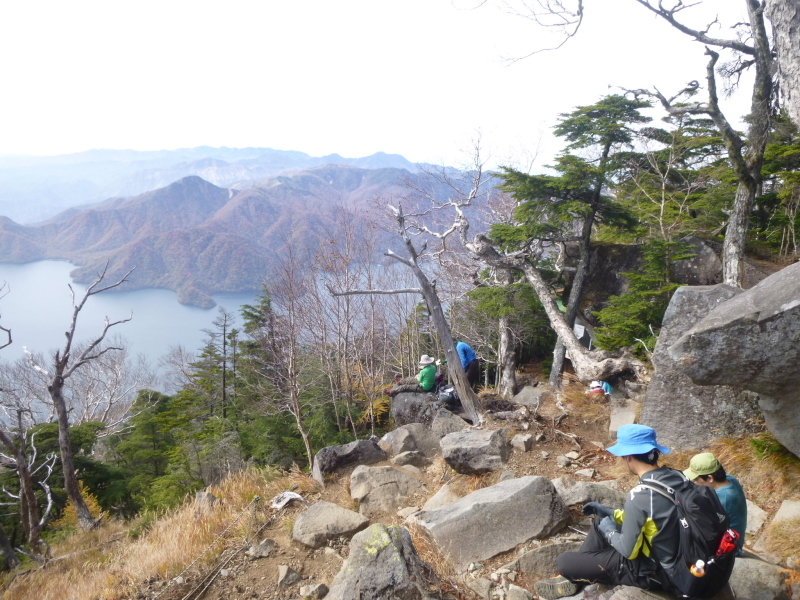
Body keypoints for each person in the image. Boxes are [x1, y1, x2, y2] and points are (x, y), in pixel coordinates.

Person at [534, 424, 681, 599]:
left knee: (563, 562)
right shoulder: (677, 476)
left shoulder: (641, 495)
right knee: (599, 521)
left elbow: (629, 552)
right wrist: (610, 513)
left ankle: (576, 576)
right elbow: (652, 517)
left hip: (654, 571)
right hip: (679, 556)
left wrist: (610, 531)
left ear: (628, 457)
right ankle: (582, 570)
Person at [684, 452, 747, 554]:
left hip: (728, 548)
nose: (693, 482)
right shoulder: (730, 478)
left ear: (710, 478)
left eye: (695, 479)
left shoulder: (721, 499)